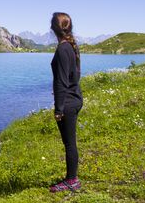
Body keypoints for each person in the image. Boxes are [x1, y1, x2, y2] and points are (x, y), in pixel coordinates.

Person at [49, 12, 83, 192]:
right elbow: (74, 76)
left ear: (53, 28)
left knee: (69, 143)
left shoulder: (63, 48)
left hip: (68, 103)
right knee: (70, 142)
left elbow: (62, 81)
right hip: (74, 98)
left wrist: (59, 109)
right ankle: (72, 178)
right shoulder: (71, 45)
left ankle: (72, 180)